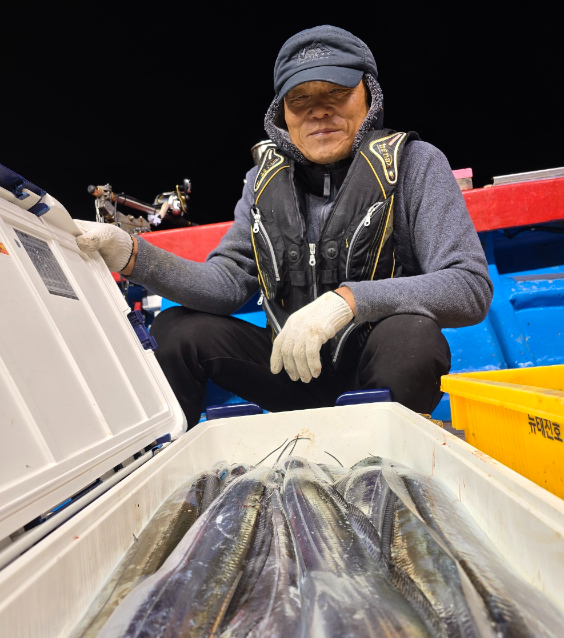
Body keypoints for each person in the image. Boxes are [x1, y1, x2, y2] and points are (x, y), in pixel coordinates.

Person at [76, 25, 492, 429]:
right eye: (300, 98)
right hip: (289, 369)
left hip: (376, 375)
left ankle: (380, 461)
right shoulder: (262, 180)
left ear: (369, 94)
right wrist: (131, 254)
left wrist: (346, 302)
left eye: (337, 91)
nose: (319, 110)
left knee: (414, 336)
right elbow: (228, 283)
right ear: (282, 113)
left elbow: (469, 286)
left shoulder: (416, 163)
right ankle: (168, 455)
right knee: (175, 329)